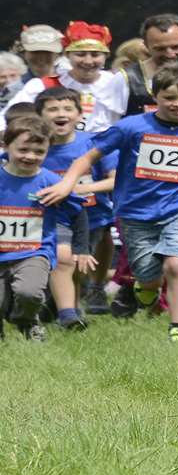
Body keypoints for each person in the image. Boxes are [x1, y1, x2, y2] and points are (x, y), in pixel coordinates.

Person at [39, 63, 178, 341]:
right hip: (136, 213)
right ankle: (147, 287)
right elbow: (88, 157)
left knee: (177, 264)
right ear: (155, 95)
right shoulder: (131, 127)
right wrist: (68, 183)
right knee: (149, 276)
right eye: (170, 97)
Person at [1, 115, 91, 342]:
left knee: (29, 292)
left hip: (34, 251)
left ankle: (26, 321)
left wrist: (82, 248)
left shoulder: (51, 182)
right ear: (6, 145)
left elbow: (78, 212)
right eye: (23, 149)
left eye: (39, 152)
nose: (30, 156)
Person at [29, 89, 109, 330]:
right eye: (52, 109)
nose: (60, 114)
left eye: (67, 109)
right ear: (39, 116)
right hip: (48, 219)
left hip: (93, 218)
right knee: (64, 259)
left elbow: (115, 180)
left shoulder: (93, 143)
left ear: (79, 114)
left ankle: (60, 304)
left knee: (79, 269)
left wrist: (72, 189)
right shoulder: (34, 147)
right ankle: (69, 313)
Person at [6, 21, 125, 133]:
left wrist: (144, 155)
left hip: (111, 151)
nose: (88, 61)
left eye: (95, 55)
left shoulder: (122, 83)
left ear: (106, 56)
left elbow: (142, 130)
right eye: (80, 54)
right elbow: (5, 120)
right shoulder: (41, 85)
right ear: (67, 55)